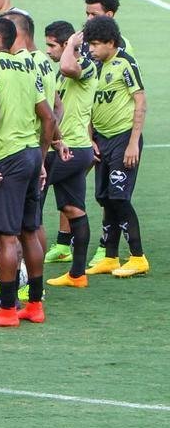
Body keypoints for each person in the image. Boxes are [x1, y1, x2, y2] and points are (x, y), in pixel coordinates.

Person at [0, 18, 56, 327]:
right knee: (29, 230)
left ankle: (7, 309)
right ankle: (34, 304)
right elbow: (48, 117)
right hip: (32, 154)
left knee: (4, 236)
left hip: (6, 157)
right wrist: (42, 158)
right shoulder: (28, 66)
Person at [82, 16, 148, 278]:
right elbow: (88, 104)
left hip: (123, 139)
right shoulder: (94, 66)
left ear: (111, 42)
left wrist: (133, 143)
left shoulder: (125, 64)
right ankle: (110, 256)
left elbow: (140, 103)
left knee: (120, 197)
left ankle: (137, 256)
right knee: (105, 197)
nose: (91, 49)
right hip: (101, 140)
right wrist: (90, 138)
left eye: (96, 44)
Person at [42, 22, 97, 288]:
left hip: (68, 150)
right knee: (72, 209)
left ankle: (21, 271)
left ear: (66, 45)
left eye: (52, 44)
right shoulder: (63, 74)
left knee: (30, 202)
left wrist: (73, 45)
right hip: (74, 149)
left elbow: (67, 66)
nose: (48, 49)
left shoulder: (85, 65)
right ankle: (77, 274)